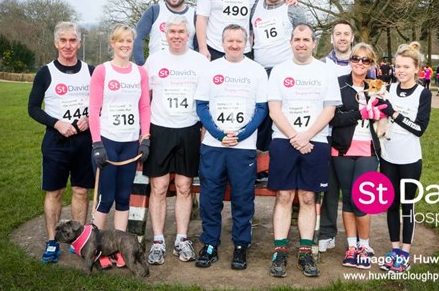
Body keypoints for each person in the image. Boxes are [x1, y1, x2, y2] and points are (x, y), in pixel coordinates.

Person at [267, 23, 341, 278]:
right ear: (291, 42)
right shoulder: (278, 71)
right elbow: (274, 110)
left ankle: (305, 252)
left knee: (308, 198)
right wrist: (294, 136)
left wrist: (306, 136)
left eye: (306, 39)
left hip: (315, 141)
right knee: (284, 196)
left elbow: (329, 110)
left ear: (313, 43)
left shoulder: (325, 72)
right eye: (297, 39)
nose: (301, 43)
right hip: (283, 139)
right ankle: (279, 250)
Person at [194, 24, 268, 270]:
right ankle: (211, 243)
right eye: (230, 41)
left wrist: (242, 134)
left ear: (246, 43)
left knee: (242, 198)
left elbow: (261, 109)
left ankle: (240, 246)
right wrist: (217, 133)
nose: (234, 45)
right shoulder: (211, 68)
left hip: (243, 146)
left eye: (239, 41)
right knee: (210, 197)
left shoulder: (256, 70)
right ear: (222, 42)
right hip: (214, 145)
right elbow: (202, 105)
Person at [142, 15, 209, 265]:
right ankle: (158, 240)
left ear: (189, 34)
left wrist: (203, 129)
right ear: (166, 34)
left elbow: (206, 98)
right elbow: (144, 98)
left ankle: (181, 238)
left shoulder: (200, 62)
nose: (177, 35)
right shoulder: (154, 60)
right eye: (173, 32)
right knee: (158, 188)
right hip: (160, 129)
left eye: (182, 31)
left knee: (184, 187)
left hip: (189, 129)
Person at [28, 21, 95, 264]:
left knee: (80, 190)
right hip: (56, 140)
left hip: (83, 140)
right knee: (54, 192)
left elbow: (101, 103)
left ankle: (78, 241)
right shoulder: (46, 72)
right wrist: (56, 123)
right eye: (63, 40)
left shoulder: (91, 71)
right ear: (56, 43)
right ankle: (52, 241)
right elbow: (33, 108)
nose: (68, 45)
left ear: (79, 43)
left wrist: (90, 117)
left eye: (72, 40)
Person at [88, 24, 151, 268]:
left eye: (129, 41)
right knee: (106, 198)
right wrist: (96, 143)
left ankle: (119, 249)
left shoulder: (140, 73)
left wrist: (145, 137)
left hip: (130, 142)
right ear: (112, 43)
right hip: (108, 141)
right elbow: (94, 110)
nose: (125, 45)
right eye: (120, 41)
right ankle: (97, 249)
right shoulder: (102, 72)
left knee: (124, 197)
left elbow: (144, 107)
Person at [327, 43, 386, 269]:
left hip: (368, 150)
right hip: (342, 148)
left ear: (372, 64)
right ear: (350, 60)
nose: (360, 63)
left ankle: (365, 245)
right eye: (356, 58)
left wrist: (382, 108)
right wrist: (360, 113)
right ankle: (351, 246)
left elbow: (387, 110)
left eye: (366, 60)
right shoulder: (339, 84)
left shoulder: (377, 86)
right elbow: (333, 119)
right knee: (349, 197)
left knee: (363, 199)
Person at [377, 42, 432, 274]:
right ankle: (394, 250)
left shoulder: (423, 93)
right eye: (397, 66)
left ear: (416, 68)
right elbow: (378, 117)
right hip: (388, 157)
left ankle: (405, 254)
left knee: (407, 205)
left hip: (410, 159)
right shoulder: (387, 89)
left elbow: (419, 128)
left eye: (406, 67)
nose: (400, 70)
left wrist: (393, 112)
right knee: (391, 204)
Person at [251, 0, 307, 154]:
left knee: (284, 114)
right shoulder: (254, 7)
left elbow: (305, 36)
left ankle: (286, 153)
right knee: (262, 116)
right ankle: (260, 159)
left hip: (285, 70)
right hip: (260, 71)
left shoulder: (293, 8)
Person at [317, 19, 355, 253]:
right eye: (337, 33)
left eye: (346, 34)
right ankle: (328, 232)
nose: (342, 37)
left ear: (352, 38)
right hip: (327, 133)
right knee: (329, 187)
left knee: (351, 187)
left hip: (354, 135)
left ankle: (356, 236)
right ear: (332, 38)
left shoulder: (363, 62)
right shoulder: (321, 65)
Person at [133, 0, 196, 65]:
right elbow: (137, 37)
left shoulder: (194, 15)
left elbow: (199, 47)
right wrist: (141, 65)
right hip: (157, 69)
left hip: (186, 71)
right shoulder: (154, 11)